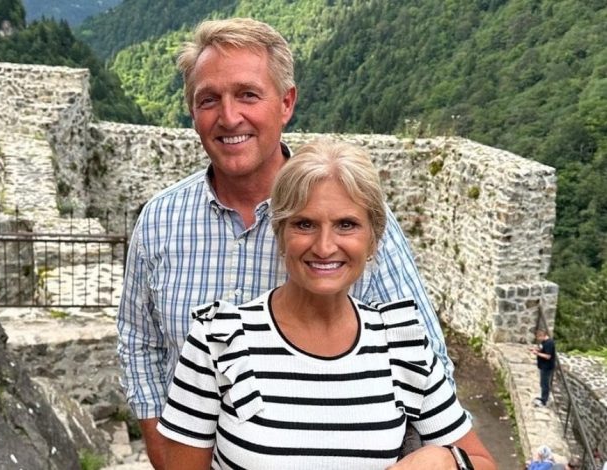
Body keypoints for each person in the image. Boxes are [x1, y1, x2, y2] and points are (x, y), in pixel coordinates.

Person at [117, 17, 457, 469]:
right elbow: (141, 341)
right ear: (192, 111)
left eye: (248, 94)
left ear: (286, 103)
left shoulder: (348, 224)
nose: (229, 117)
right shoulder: (160, 220)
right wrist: (166, 453)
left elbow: (425, 361)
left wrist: (436, 458)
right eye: (208, 99)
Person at [157, 139, 495, 469]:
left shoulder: (401, 345)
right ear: (281, 234)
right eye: (304, 224)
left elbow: (482, 462)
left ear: (373, 240)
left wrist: (444, 460)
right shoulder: (218, 342)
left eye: (346, 225)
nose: (324, 247)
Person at [530, 328, 556, 407]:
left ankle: (544, 400)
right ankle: (543, 397)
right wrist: (536, 350)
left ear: (542, 336)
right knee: (542, 383)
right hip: (543, 366)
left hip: (546, 367)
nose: (538, 339)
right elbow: (542, 349)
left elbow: (548, 356)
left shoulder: (549, 343)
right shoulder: (544, 342)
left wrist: (537, 353)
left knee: (545, 384)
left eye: (538, 337)